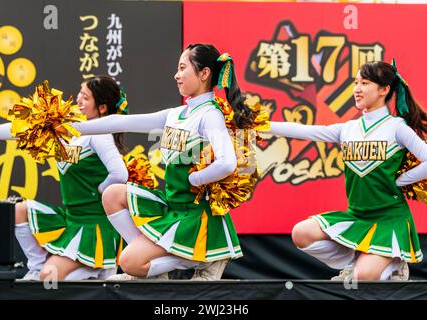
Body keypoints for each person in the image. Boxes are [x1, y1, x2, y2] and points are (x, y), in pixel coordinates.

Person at [67, 44, 254, 280]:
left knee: (127, 261)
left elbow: (227, 163)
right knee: (112, 194)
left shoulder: (210, 114)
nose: (176, 74)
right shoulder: (176, 114)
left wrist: (195, 178)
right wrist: (69, 127)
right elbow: (119, 123)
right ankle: (152, 269)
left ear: (204, 73)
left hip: (195, 217)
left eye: (182, 67)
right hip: (172, 207)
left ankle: (207, 256)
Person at [264, 61, 427, 280]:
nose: (357, 89)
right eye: (356, 82)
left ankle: (395, 263)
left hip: (388, 220)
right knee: (301, 233)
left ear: (384, 89)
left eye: (365, 83)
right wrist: (262, 126)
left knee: (361, 279)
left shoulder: (396, 127)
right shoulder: (349, 128)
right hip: (357, 216)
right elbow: (306, 131)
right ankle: (356, 261)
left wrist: (401, 180)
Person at [0, 75, 129, 280]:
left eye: (85, 97)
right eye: (79, 94)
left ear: (101, 108)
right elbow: (23, 131)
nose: (78, 100)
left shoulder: (100, 134)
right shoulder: (69, 128)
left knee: (51, 277)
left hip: (94, 227)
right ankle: (38, 267)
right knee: (20, 210)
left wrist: (101, 191)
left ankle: (95, 270)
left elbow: (119, 174)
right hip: (71, 219)